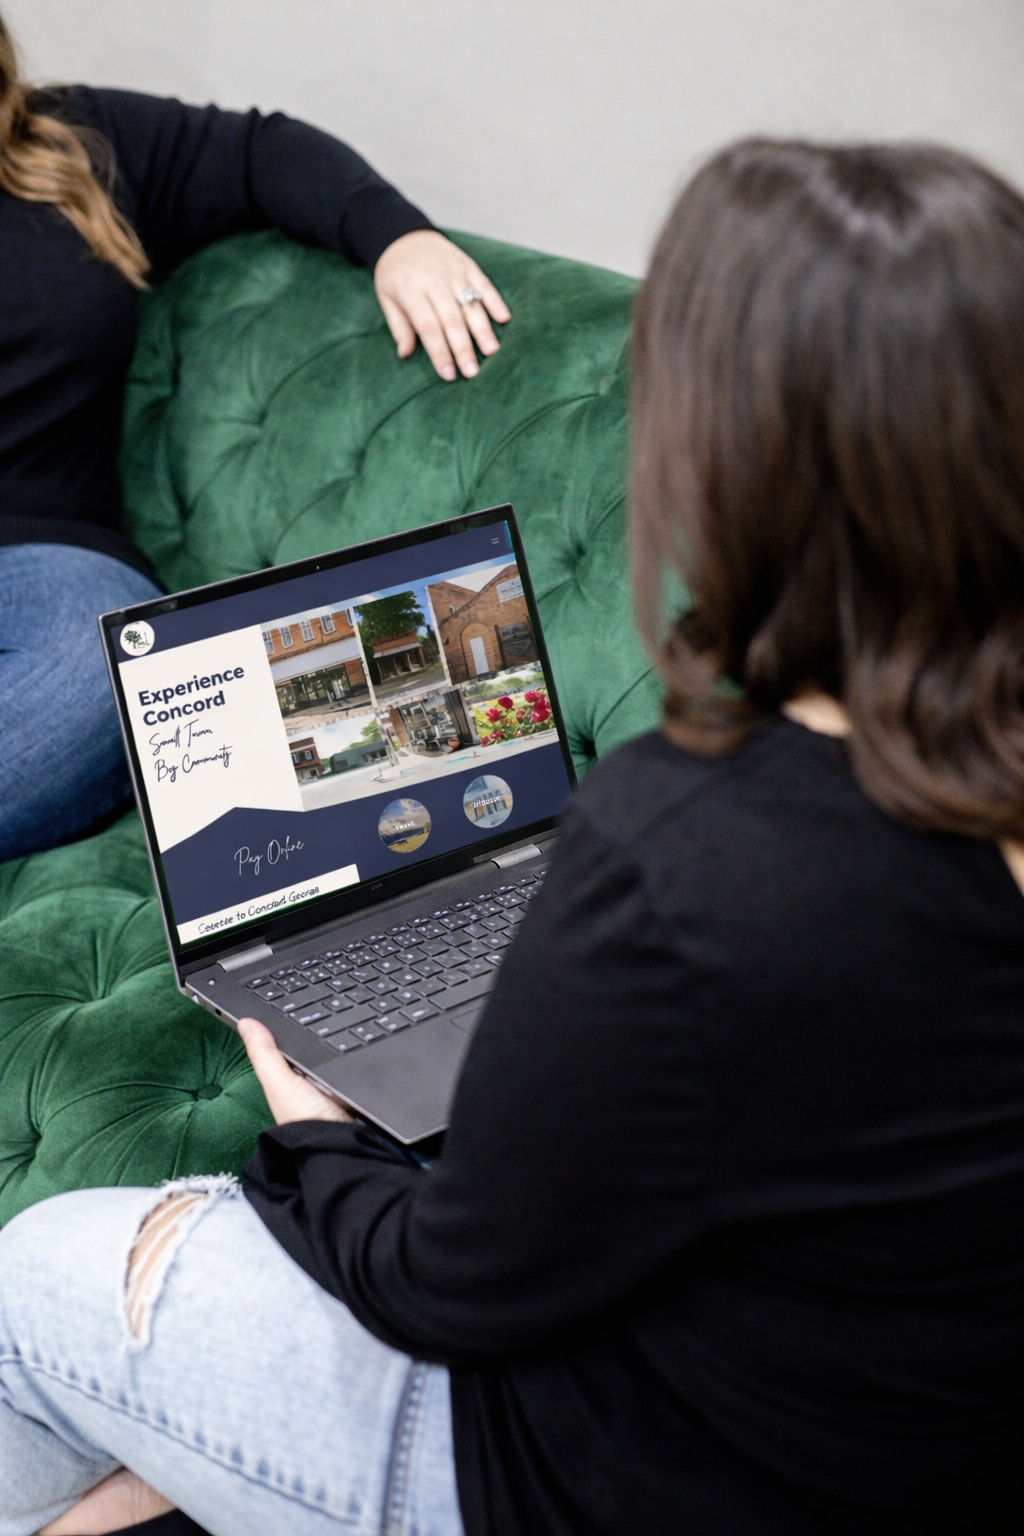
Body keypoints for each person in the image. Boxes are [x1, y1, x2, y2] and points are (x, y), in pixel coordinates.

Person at [2, 134, 1024, 1536]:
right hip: (876, 1426)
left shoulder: (683, 843)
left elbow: (449, 1283)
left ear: (722, 453)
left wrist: (315, 1146)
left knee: (34, 1279)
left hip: (615, 1473)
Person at [0, 11, 510, 864]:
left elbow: (256, 151)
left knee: (111, 672)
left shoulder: (74, 149)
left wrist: (399, 237)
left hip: (49, 568)